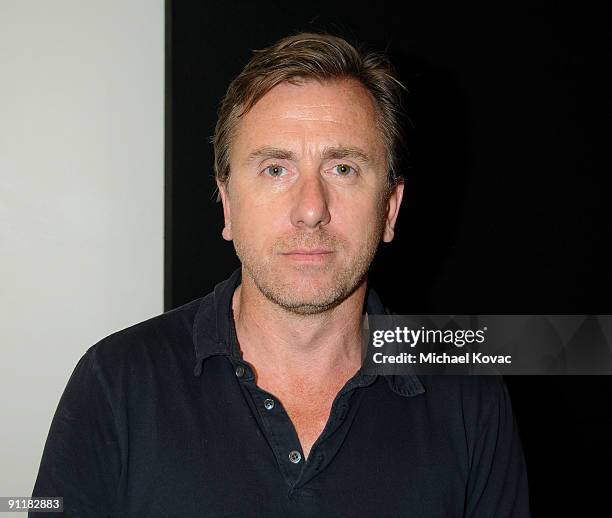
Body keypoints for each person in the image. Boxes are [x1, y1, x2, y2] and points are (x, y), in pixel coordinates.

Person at [31, 32, 530, 517]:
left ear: (390, 210)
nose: (311, 209)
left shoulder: (470, 392)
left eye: (343, 169)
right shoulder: (116, 381)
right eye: (275, 169)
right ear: (227, 205)